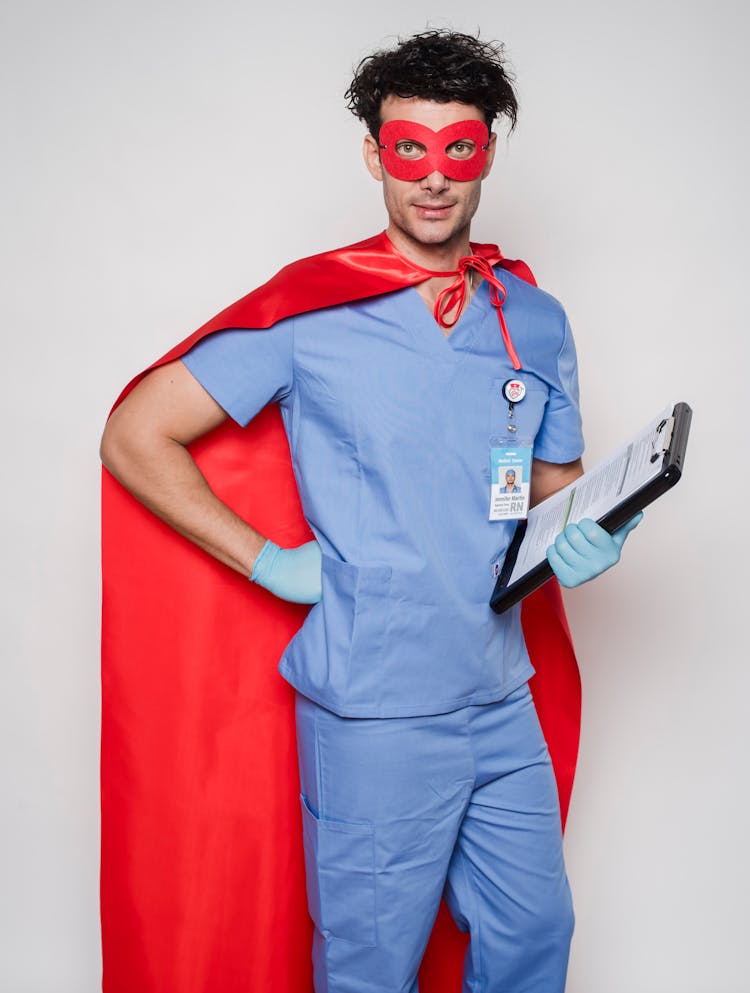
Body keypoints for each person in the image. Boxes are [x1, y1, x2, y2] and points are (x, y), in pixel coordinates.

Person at [100, 30, 640, 993]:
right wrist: (269, 561)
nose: (434, 180)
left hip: (499, 695)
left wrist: (598, 525)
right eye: (409, 151)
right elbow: (138, 433)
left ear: (486, 156)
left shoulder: (532, 315)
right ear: (374, 156)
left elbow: (551, 486)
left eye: (459, 150)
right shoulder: (309, 314)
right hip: (376, 709)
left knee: (533, 937)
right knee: (369, 967)